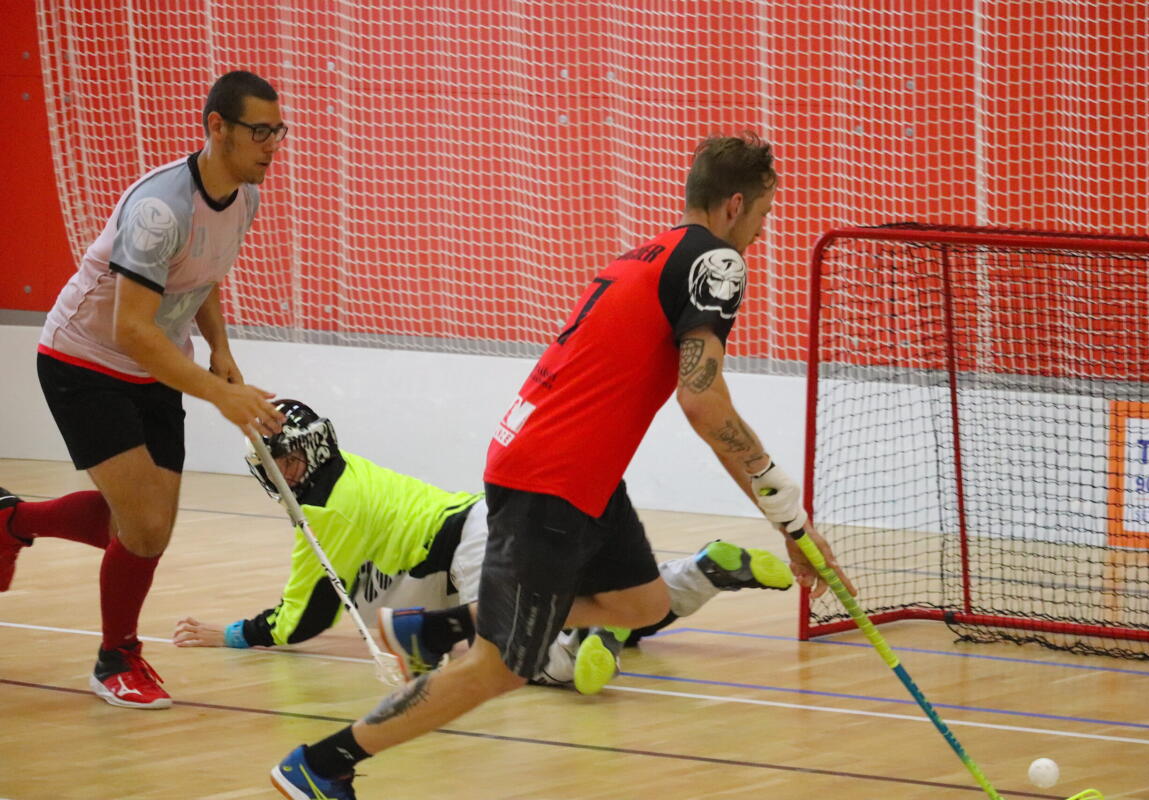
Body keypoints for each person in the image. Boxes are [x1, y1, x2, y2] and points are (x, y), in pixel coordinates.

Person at [269, 132, 856, 799]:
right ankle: (322, 762)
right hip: (554, 475)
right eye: (763, 216)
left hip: (574, 469)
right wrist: (790, 520)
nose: (761, 233)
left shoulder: (648, 253)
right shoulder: (716, 261)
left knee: (642, 604)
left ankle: (439, 627)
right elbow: (702, 401)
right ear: (734, 205)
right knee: (499, 668)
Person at [172, 399, 795, 696]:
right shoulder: (348, 471)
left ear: (306, 456)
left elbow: (305, 615)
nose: (277, 472)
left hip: (468, 552)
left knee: (523, 661)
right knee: (630, 602)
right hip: (487, 525)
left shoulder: (323, 511)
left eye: (281, 460)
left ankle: (580, 644)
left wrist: (232, 634)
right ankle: (701, 573)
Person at [0, 71, 287, 710]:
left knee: (144, 526)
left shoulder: (243, 198)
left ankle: (11, 522)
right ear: (217, 127)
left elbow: (203, 276)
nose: (272, 145)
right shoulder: (161, 209)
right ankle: (116, 657)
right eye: (259, 131)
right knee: (146, 527)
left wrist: (220, 349)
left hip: (156, 365)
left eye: (278, 131)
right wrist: (219, 395)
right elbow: (131, 328)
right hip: (85, 361)